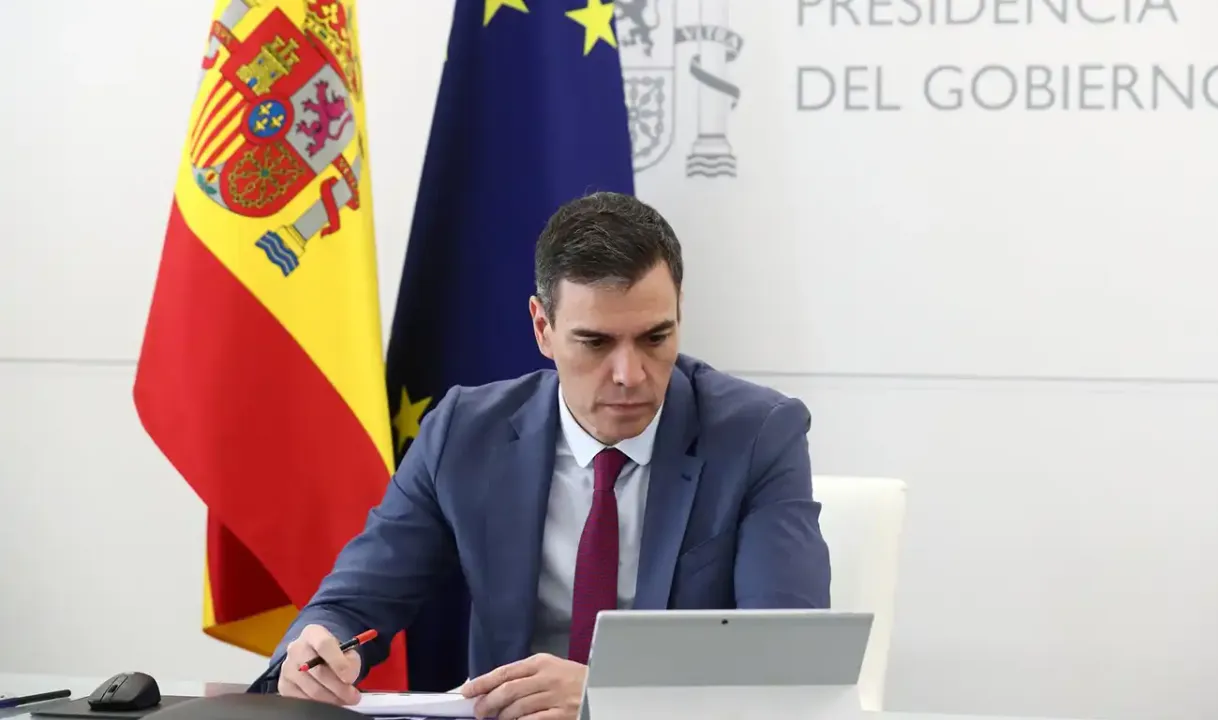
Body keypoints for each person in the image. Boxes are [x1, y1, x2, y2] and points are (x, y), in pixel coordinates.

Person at [265, 192, 832, 719]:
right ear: (543, 328)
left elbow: (789, 655)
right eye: (596, 342)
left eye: (655, 338)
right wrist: (316, 650)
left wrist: (607, 695)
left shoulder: (757, 434)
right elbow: (354, 603)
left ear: (679, 314)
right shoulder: (464, 433)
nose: (630, 374)